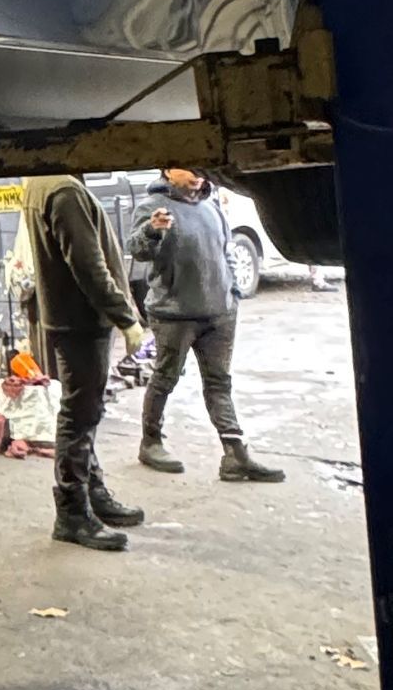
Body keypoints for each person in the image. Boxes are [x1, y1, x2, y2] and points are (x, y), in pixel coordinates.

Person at [128, 169, 285, 482]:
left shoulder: (211, 205)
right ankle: (151, 442)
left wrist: (232, 293)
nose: (197, 174)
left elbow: (226, 251)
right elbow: (137, 250)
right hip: (175, 314)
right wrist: (152, 230)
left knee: (219, 383)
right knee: (165, 378)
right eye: (188, 167)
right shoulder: (153, 207)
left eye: (200, 168)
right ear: (168, 171)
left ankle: (235, 454)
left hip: (219, 313)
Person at [20, 174, 149, 552]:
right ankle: (73, 513)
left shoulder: (43, 183)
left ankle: (92, 494)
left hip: (70, 320)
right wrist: (125, 316)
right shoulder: (64, 191)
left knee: (84, 413)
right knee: (79, 417)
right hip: (81, 322)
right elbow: (88, 264)